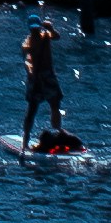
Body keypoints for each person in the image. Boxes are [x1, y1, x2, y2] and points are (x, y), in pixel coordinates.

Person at [19, 21, 68, 152]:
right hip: (36, 79)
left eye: (37, 29)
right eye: (33, 29)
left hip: (49, 77)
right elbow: (27, 60)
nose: (35, 31)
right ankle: (25, 142)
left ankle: (59, 134)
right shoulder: (27, 43)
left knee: (55, 105)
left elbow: (56, 36)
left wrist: (51, 27)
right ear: (30, 29)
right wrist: (30, 72)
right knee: (32, 109)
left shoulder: (46, 35)